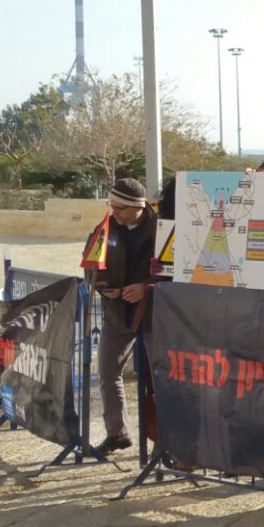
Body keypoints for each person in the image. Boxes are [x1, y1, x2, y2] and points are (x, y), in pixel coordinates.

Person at [91, 178, 156, 454]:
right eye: (112, 205)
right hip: (117, 313)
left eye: (121, 208)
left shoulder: (162, 229)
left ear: (138, 208)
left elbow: (172, 271)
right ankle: (117, 433)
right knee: (107, 371)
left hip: (154, 314)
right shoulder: (106, 227)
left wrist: (145, 288)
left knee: (157, 378)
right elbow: (92, 263)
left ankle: (163, 440)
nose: (114, 212)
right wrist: (105, 288)